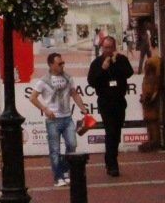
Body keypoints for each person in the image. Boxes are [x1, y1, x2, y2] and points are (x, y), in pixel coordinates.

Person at [26, 52, 79, 188]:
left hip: (67, 117)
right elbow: (33, 97)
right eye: (59, 63)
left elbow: (74, 94)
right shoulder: (43, 81)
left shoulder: (68, 78)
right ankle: (58, 176)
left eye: (63, 63)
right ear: (51, 65)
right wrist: (45, 109)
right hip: (53, 119)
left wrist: (83, 108)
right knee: (55, 150)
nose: (62, 65)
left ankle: (64, 169)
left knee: (72, 144)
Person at [87, 35, 134, 177]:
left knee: (117, 133)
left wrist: (116, 63)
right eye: (105, 47)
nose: (107, 50)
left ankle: (110, 158)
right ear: (102, 48)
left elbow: (129, 73)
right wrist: (103, 68)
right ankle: (112, 163)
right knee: (111, 131)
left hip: (119, 101)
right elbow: (92, 81)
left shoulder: (121, 60)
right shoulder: (97, 62)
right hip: (105, 102)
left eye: (110, 47)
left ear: (114, 47)